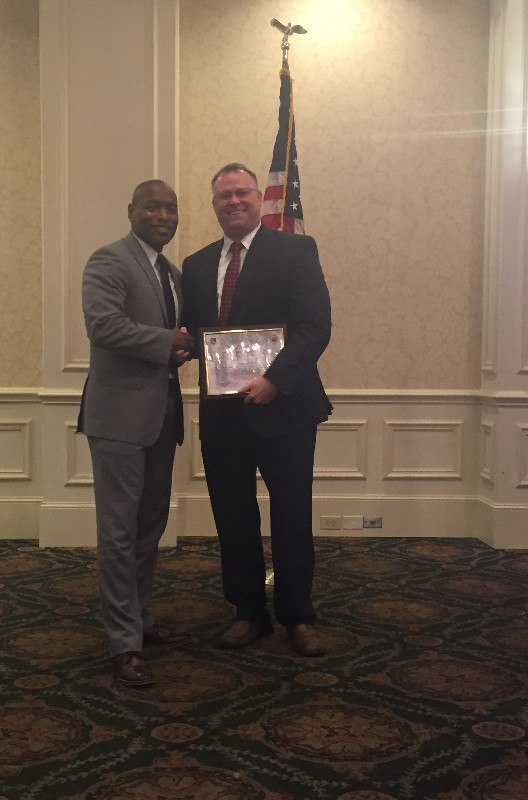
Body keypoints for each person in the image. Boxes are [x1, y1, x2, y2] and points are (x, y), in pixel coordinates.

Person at [181, 163, 332, 657]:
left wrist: (274, 381)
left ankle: (297, 616)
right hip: (223, 416)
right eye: (223, 195)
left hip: (285, 409)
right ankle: (248, 612)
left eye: (242, 192)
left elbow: (315, 326)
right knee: (232, 515)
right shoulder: (198, 264)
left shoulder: (296, 250)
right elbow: (195, 335)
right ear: (214, 205)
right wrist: (175, 345)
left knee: (291, 515)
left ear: (257, 198)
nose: (234, 202)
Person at [78, 180, 194, 686]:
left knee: (149, 531)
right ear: (132, 211)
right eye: (153, 206)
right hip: (119, 422)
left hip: (163, 420)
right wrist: (168, 340)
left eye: (171, 208)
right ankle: (124, 644)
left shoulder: (172, 272)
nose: (163, 215)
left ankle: (140, 619)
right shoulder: (108, 261)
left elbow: (177, 342)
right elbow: (103, 326)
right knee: (119, 534)